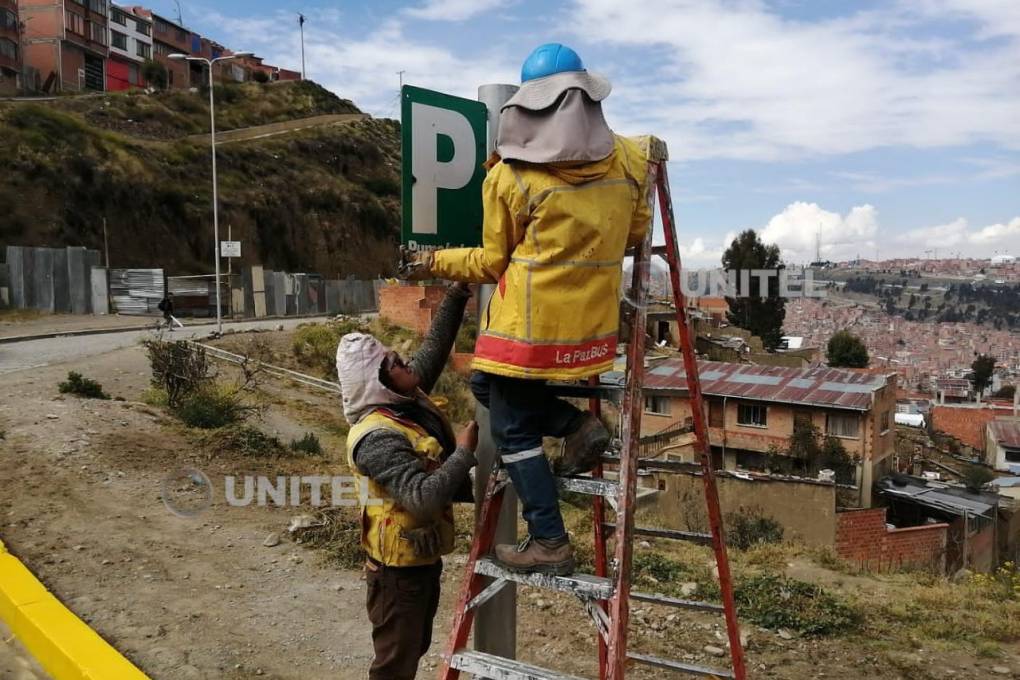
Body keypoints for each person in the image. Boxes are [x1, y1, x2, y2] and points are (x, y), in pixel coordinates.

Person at [403, 43, 652, 576]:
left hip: (526, 334)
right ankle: (573, 425)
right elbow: (634, 232)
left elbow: (492, 262)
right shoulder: (631, 160)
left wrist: (430, 262)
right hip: (591, 333)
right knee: (484, 388)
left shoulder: (511, 177)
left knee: (513, 433)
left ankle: (550, 542)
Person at [336, 282, 477, 680]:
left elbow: (431, 353)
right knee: (395, 666)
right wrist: (465, 453)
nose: (407, 365)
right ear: (380, 381)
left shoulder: (402, 403)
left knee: (411, 651)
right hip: (397, 576)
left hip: (417, 562)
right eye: (396, 364)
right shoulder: (378, 437)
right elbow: (421, 498)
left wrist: (456, 294)